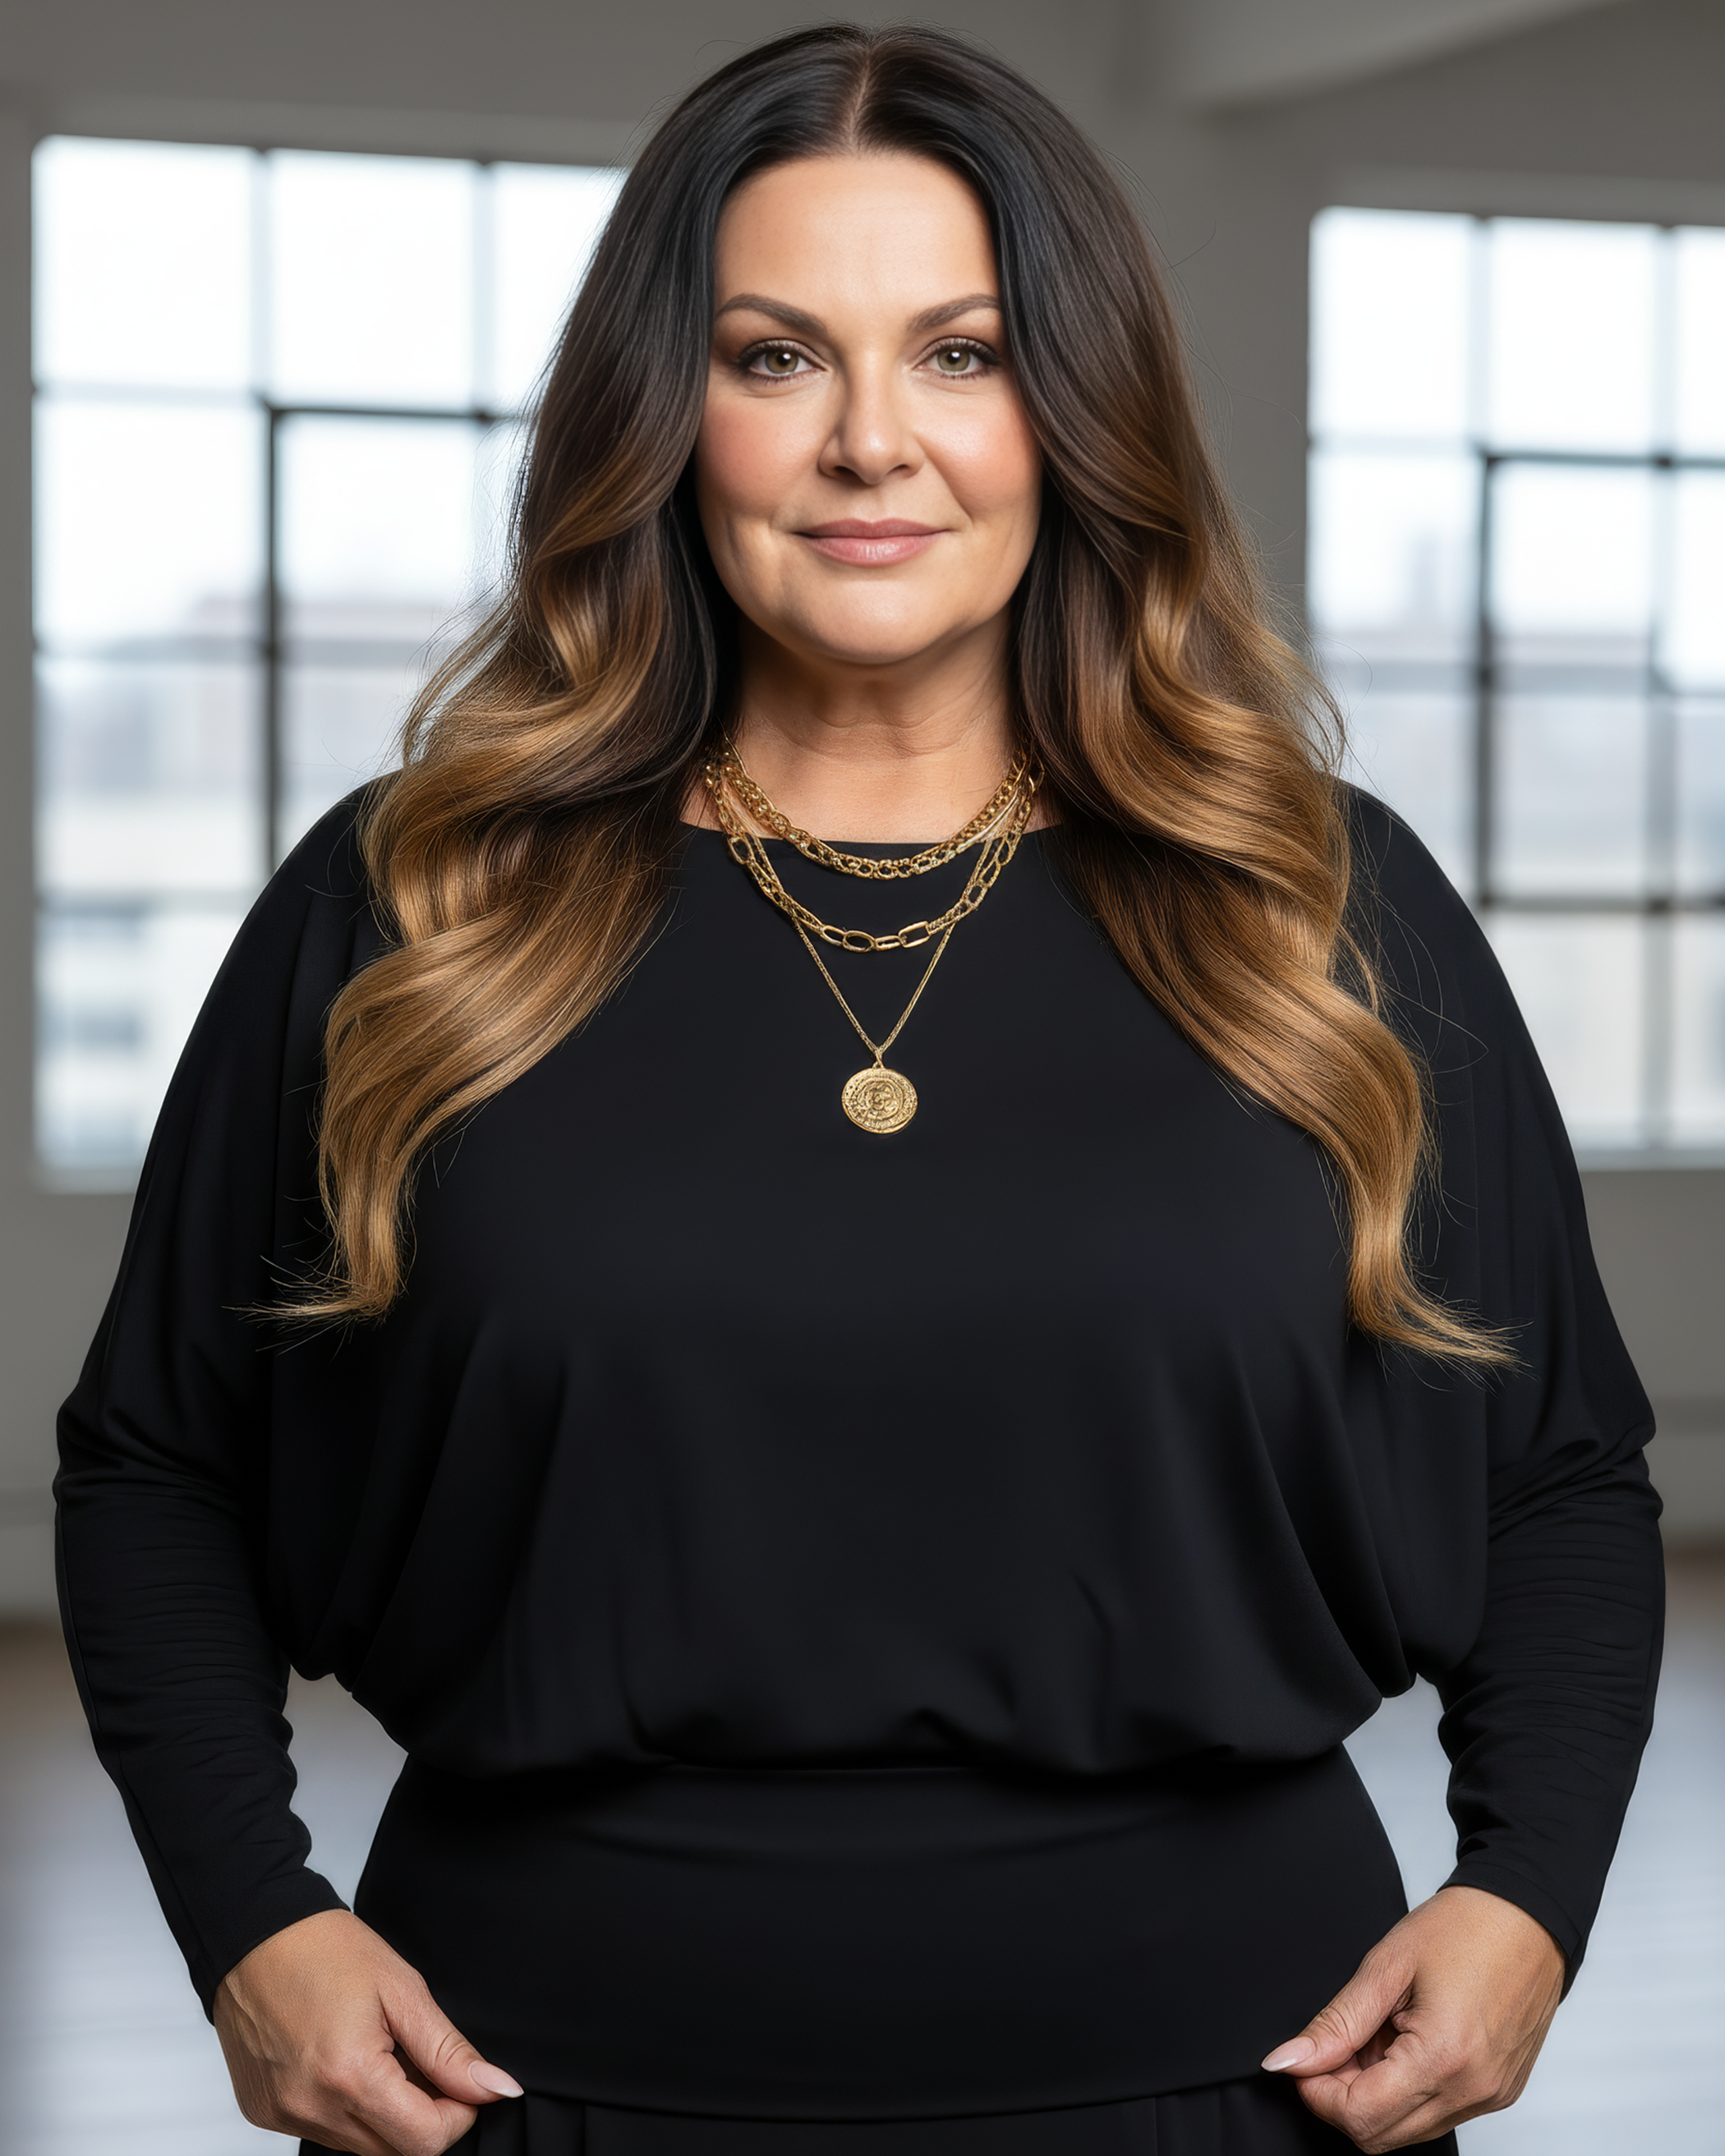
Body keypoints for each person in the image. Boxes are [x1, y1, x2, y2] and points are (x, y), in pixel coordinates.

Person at [55, 23, 1663, 2156]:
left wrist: (1525, 1893)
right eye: (777, 355)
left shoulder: (1321, 914)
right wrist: (249, 1920)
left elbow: (1558, 1475)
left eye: (965, 353)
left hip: (1236, 2092)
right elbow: (159, 1461)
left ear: (1075, 411)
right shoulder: (412, 907)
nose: (872, 444)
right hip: (529, 2096)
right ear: (664, 412)